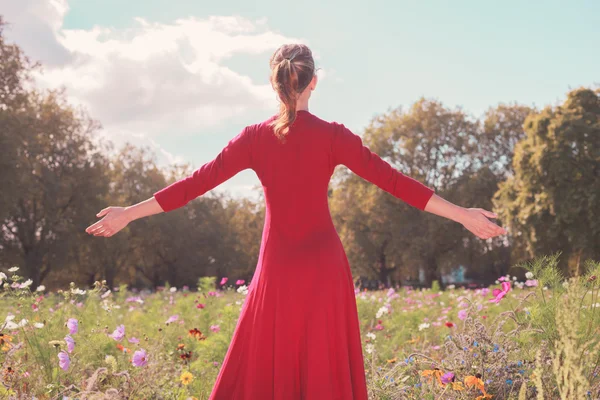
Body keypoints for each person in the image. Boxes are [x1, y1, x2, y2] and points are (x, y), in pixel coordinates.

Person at [85, 43, 507, 399]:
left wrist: (129, 214)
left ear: (274, 83)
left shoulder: (252, 138)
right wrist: (462, 215)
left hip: (278, 268)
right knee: (324, 371)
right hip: (325, 268)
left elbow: (195, 184)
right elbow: (397, 183)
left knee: (270, 367)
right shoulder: (333, 136)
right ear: (313, 82)